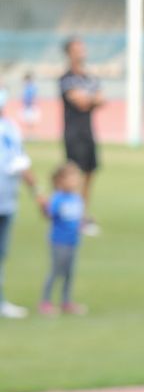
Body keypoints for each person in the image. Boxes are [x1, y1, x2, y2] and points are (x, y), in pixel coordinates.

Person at [0, 99, 43, 318]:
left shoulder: (9, 128)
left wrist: (37, 192)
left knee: (1, 253)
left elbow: (20, 162)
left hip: (7, 201)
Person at [59, 37, 105, 236]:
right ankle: (68, 214)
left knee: (89, 173)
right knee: (73, 175)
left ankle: (81, 214)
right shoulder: (66, 78)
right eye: (77, 48)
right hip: (73, 133)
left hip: (88, 132)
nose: (81, 51)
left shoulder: (89, 78)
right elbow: (81, 102)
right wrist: (90, 99)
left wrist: (90, 99)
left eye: (82, 48)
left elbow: (101, 99)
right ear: (69, 53)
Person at [39, 162, 87, 316]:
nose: (76, 181)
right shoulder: (58, 199)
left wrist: (85, 224)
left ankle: (66, 301)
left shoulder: (77, 198)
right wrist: (43, 206)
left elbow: (78, 219)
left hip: (73, 241)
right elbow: (49, 215)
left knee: (69, 273)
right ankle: (45, 302)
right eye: (71, 177)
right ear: (60, 181)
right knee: (55, 271)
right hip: (59, 241)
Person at [19, 72, 38, 137]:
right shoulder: (26, 87)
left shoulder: (31, 87)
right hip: (27, 106)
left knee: (30, 121)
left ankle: (31, 134)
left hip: (30, 106)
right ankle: (29, 134)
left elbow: (33, 97)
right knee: (27, 121)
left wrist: (32, 105)